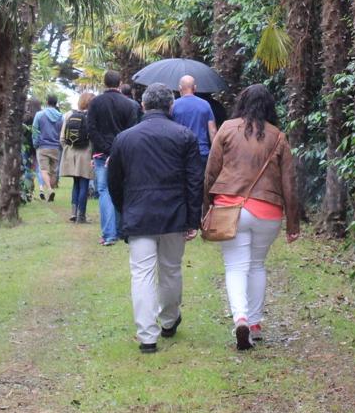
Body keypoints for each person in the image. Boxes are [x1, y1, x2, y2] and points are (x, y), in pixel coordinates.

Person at [108, 82, 204, 353]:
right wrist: (192, 217)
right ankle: (169, 320)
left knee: (142, 274)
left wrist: (124, 208)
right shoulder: (184, 136)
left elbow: (114, 181)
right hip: (174, 214)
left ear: (143, 105)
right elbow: (194, 180)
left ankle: (147, 335)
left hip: (138, 213)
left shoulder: (125, 138)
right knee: (171, 268)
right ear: (171, 105)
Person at [204, 84, 300, 351]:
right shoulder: (278, 137)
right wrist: (293, 223)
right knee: (257, 265)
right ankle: (255, 324)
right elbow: (289, 183)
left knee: (236, 267)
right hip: (268, 211)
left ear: (241, 104)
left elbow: (211, 173)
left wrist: (205, 209)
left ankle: (241, 319)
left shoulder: (226, 129)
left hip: (230, 208)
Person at [85, 70, 139, 245]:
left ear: (104, 83)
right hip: (122, 154)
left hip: (102, 154)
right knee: (122, 189)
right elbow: (131, 131)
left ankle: (109, 234)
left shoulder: (95, 103)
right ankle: (122, 230)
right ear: (119, 82)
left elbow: (91, 129)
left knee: (105, 191)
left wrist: (106, 150)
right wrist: (115, 151)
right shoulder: (129, 104)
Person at [60, 91, 95, 223]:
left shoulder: (69, 115)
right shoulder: (90, 116)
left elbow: (62, 138)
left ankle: (73, 213)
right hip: (85, 153)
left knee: (76, 184)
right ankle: (81, 216)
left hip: (71, 152)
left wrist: (68, 149)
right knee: (84, 183)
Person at [172, 75, 217, 159]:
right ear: (195, 88)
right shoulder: (205, 104)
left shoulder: (173, 105)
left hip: (180, 151)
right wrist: (215, 154)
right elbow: (213, 131)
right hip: (201, 151)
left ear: (179, 88)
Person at [32, 94, 63, 202]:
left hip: (43, 146)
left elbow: (35, 130)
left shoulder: (39, 115)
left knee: (44, 170)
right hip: (56, 147)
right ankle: (51, 189)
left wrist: (35, 143)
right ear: (56, 103)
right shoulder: (61, 116)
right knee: (54, 171)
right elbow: (62, 132)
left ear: (47, 102)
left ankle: (49, 189)